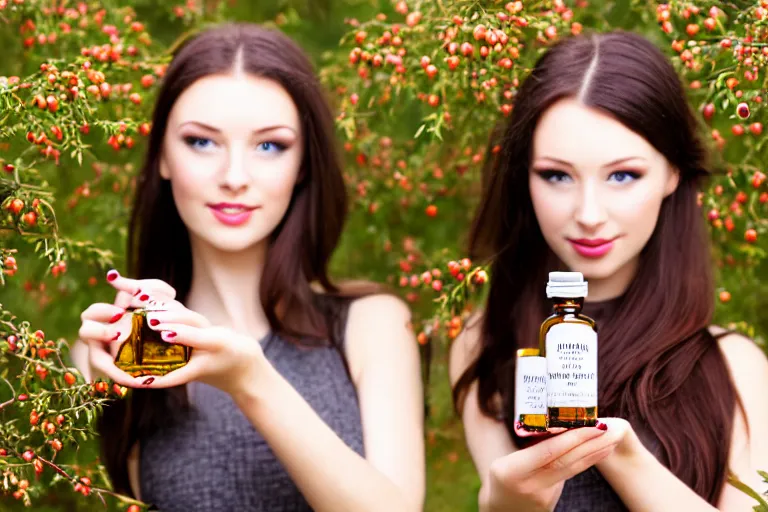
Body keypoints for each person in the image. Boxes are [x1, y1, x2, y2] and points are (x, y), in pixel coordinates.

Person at [70, 22, 425, 512]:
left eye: (269, 146)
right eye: (202, 142)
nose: (234, 177)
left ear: (303, 164)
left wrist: (250, 378)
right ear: (162, 158)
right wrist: (110, 375)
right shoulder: (112, 351)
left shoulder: (371, 323)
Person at [449, 29, 768, 512]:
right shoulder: (489, 341)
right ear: (524, 177)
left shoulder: (734, 366)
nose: (589, 213)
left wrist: (621, 456)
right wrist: (504, 504)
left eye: (622, 175)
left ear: (672, 173)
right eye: (556, 175)